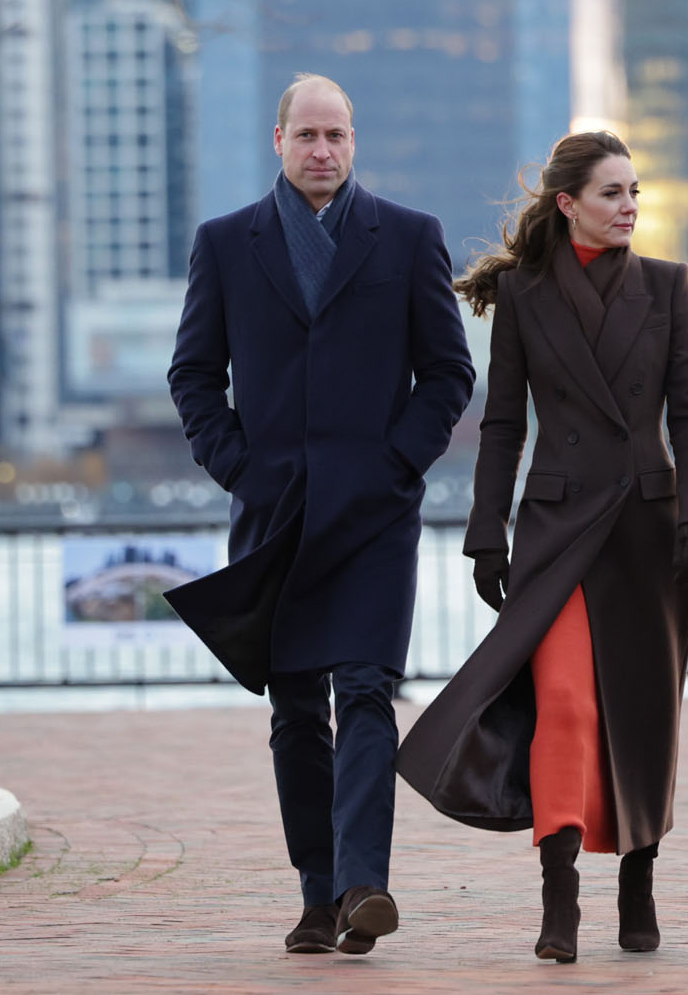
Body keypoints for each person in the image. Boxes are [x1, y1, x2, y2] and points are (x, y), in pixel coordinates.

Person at [165, 73, 475, 956]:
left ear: (354, 140)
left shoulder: (408, 237)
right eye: (306, 135)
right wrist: (241, 470)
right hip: (277, 516)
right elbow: (193, 376)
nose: (323, 151)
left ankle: (363, 885)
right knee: (296, 708)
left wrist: (394, 465)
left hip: (375, 515)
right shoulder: (226, 244)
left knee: (368, 691)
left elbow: (448, 373)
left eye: (337, 135)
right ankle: (316, 892)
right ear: (278, 141)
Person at [395, 130, 688, 963]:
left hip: (648, 530)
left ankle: (639, 879)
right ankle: (559, 897)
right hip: (558, 529)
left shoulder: (667, 285)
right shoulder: (525, 293)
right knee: (568, 706)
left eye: (636, 192)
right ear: (570, 204)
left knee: (645, 712)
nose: (631, 208)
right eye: (613, 193)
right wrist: (485, 531)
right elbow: (503, 424)